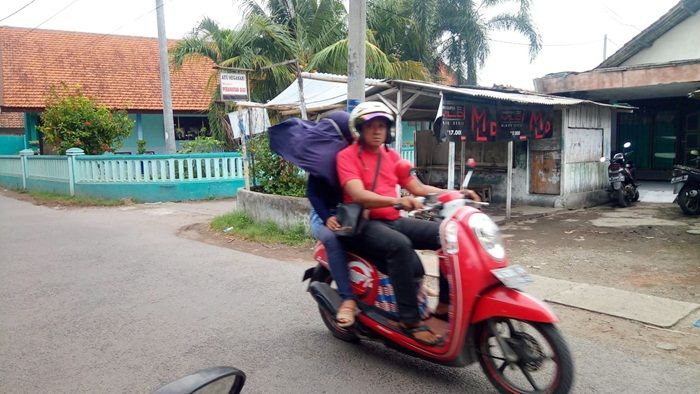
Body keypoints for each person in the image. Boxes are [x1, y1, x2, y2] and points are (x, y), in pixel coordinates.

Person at [336, 102, 480, 346]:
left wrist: (457, 193)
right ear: (360, 129)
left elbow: (419, 188)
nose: (377, 131)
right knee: (400, 246)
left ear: (388, 130)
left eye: (381, 126)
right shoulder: (347, 157)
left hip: (391, 220)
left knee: (448, 234)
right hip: (362, 224)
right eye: (370, 126)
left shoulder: (392, 157)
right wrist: (397, 200)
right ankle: (409, 320)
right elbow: (358, 194)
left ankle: (444, 305)